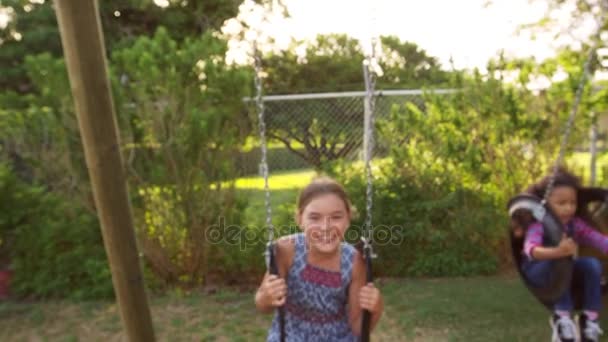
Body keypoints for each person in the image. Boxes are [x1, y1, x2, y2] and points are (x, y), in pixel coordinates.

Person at [255, 177, 383, 341]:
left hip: (337, 337)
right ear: (300, 219)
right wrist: (266, 297)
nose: (325, 227)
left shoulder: (354, 261)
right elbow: (262, 305)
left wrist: (376, 308)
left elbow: (359, 328)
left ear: (348, 218)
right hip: (292, 335)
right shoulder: (286, 250)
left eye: (336, 217)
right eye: (315, 218)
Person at [515, 168, 607, 342]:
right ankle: (562, 318)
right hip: (538, 271)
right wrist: (557, 252)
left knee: (592, 264)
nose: (569, 208)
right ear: (546, 204)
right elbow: (531, 250)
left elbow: (598, 240)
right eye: (562, 203)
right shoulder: (539, 225)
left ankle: (590, 319)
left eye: (572, 203)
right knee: (562, 262)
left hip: (563, 270)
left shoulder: (575, 224)